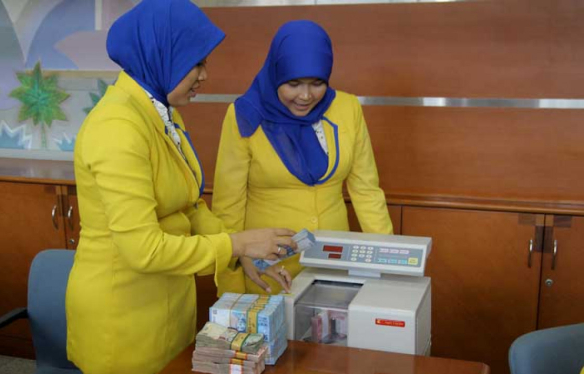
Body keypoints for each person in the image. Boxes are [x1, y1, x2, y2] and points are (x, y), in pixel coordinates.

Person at [65, 1, 296, 373]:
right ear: (162, 55)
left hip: (165, 305)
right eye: (196, 62)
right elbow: (143, 250)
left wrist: (242, 255)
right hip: (123, 318)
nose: (205, 75)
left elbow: (188, 206)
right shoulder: (117, 129)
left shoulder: (161, 112)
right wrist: (236, 243)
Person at [212, 20, 393, 296]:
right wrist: (233, 276)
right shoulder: (244, 115)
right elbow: (228, 205)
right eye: (293, 84)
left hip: (333, 263)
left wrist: (389, 265)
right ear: (276, 73)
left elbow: (366, 191)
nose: (306, 95)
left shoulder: (347, 108)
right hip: (267, 266)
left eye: (317, 83)